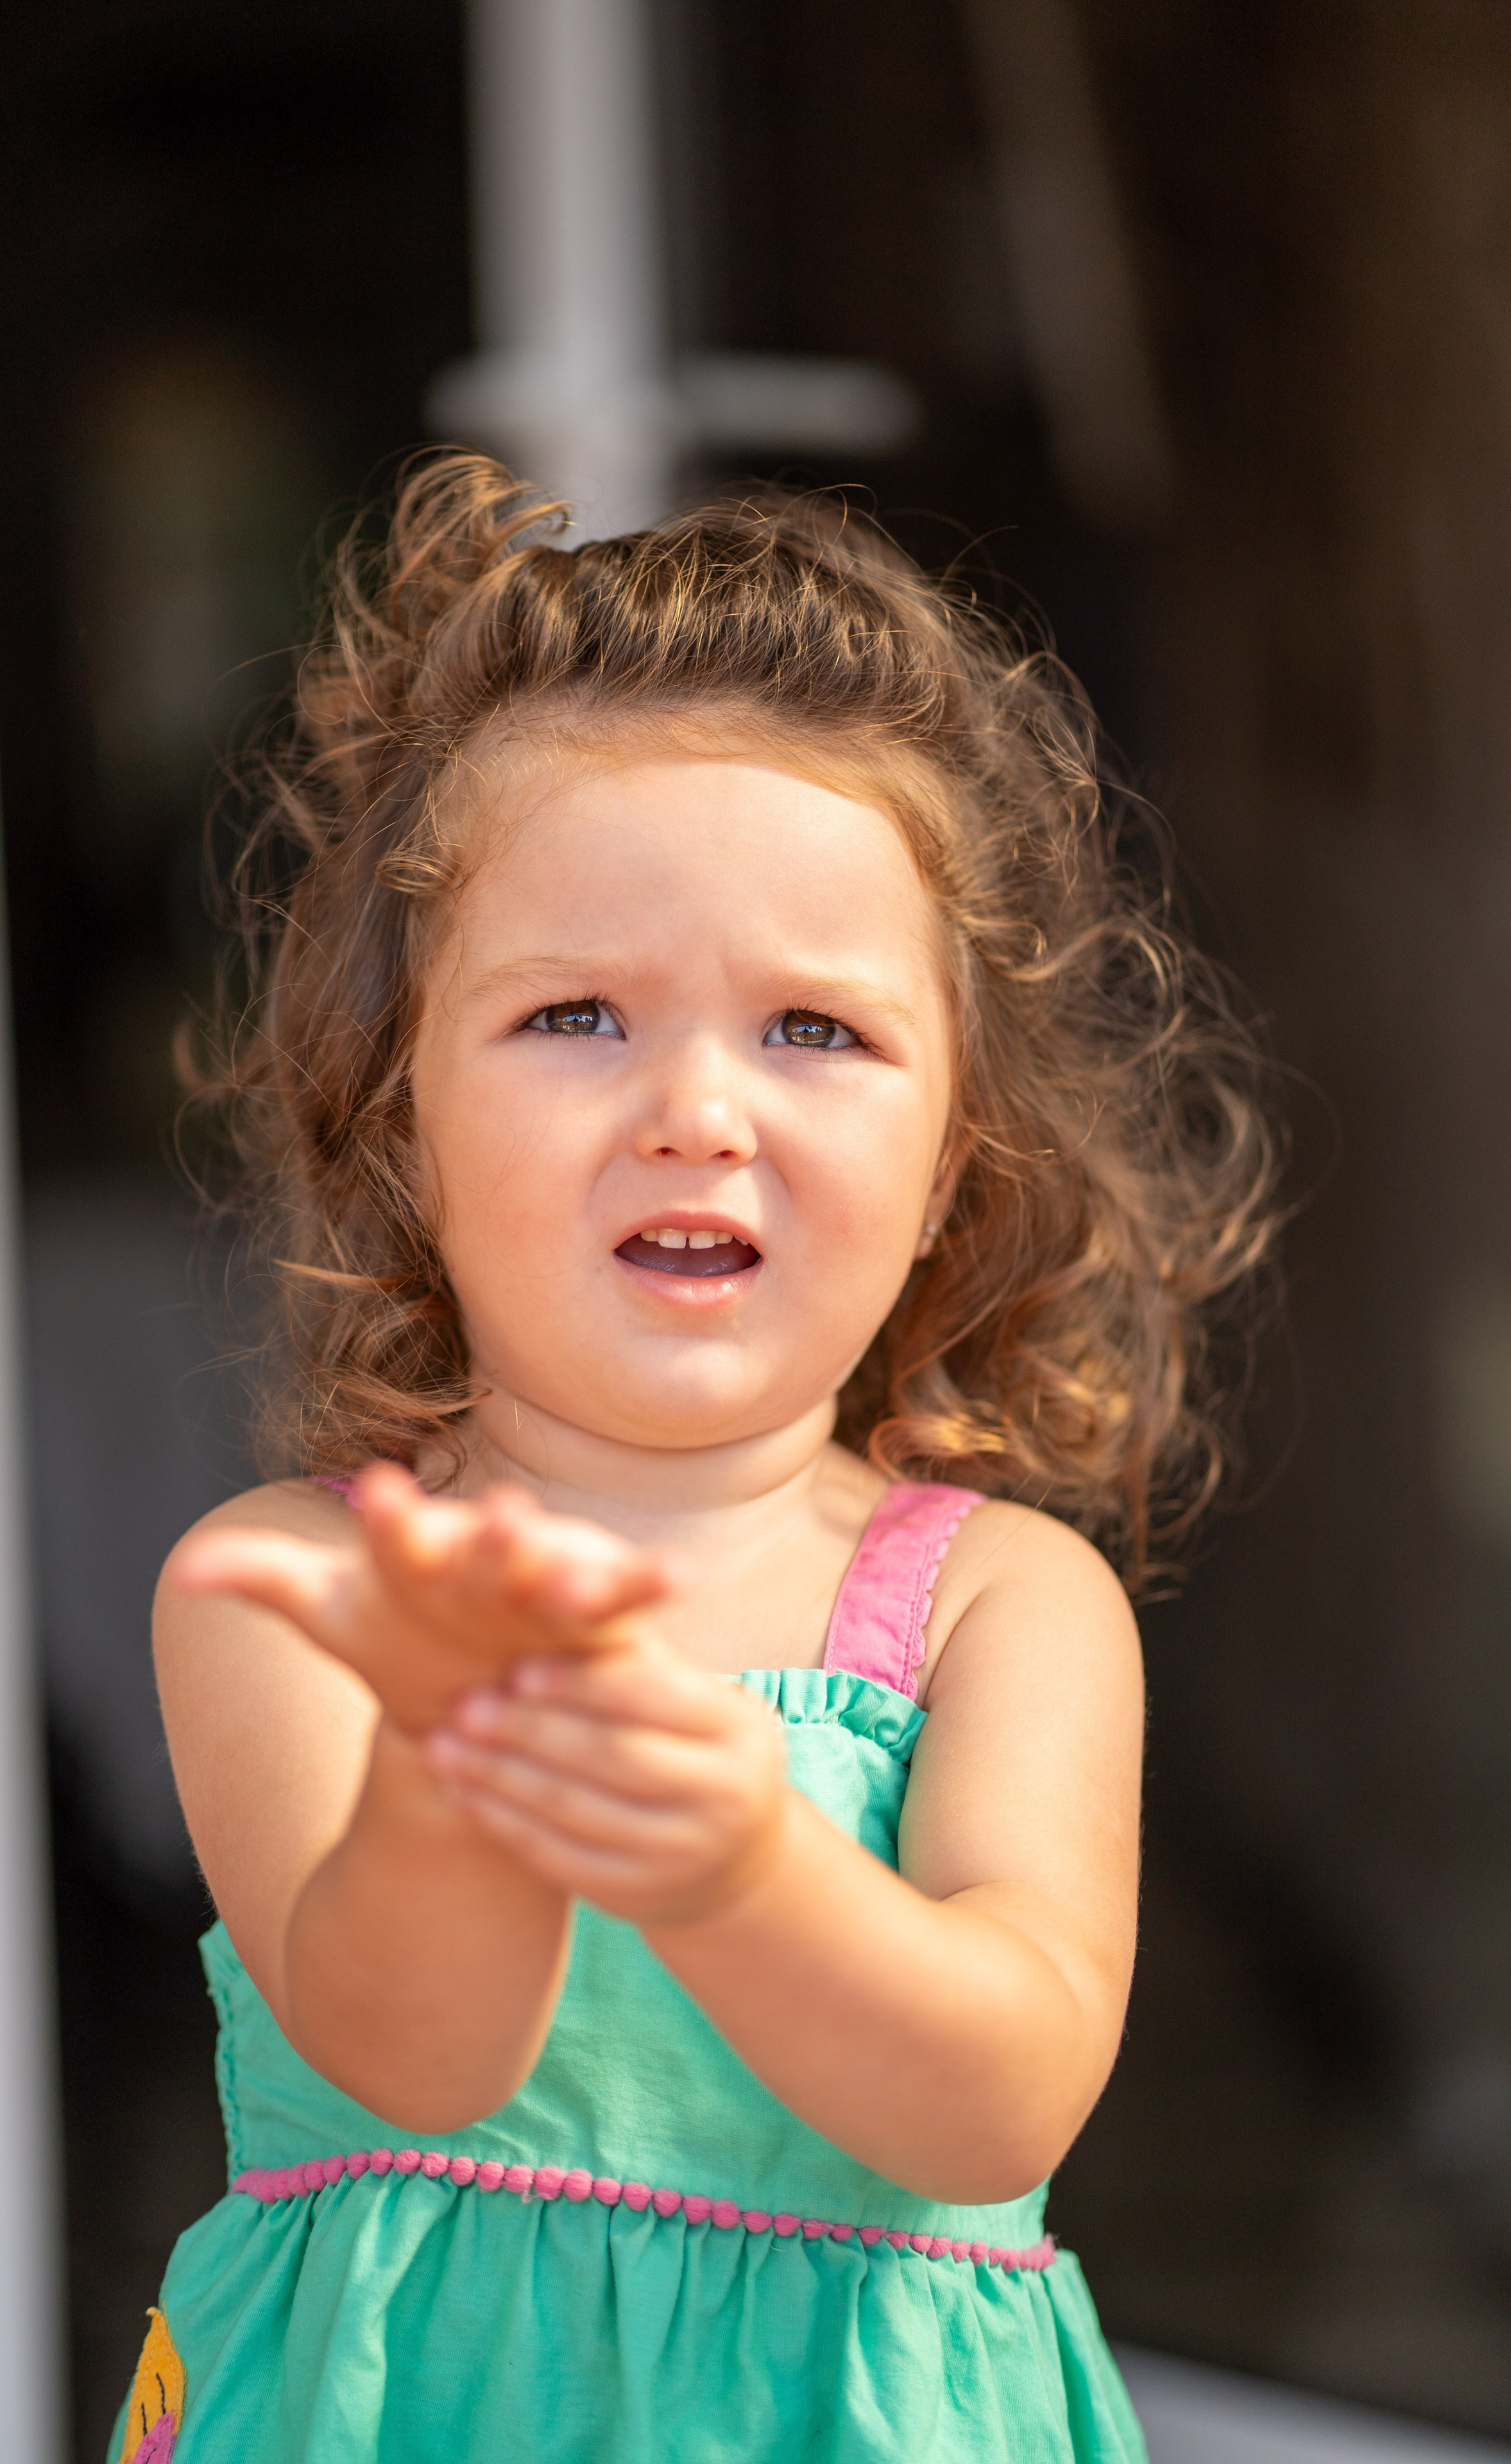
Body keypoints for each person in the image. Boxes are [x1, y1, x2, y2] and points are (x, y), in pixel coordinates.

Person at [113, 454, 1276, 2463]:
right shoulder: (295, 1593)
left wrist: (741, 1865)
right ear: (403, 1131)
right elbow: (406, 2058)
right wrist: (470, 1752)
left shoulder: (1002, 1608)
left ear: (952, 1167)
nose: (698, 1111)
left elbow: (999, 2097)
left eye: (814, 1032)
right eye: (575, 1014)